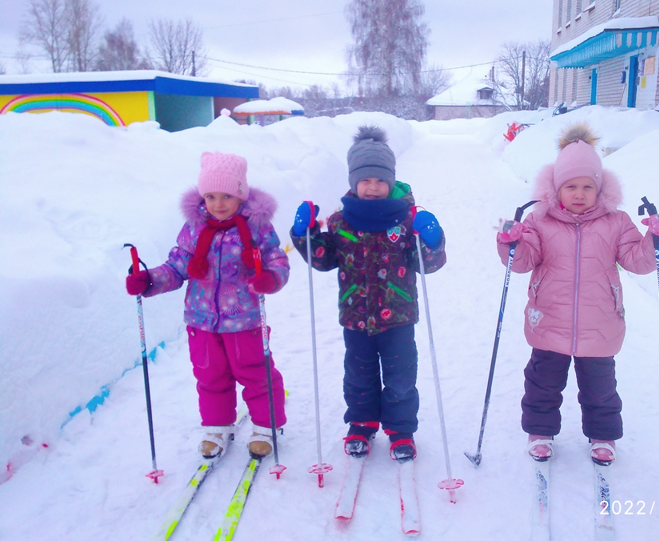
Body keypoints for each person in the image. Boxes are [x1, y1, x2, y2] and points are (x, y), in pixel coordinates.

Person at [496, 123, 659, 465]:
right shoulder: (539, 222)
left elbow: (637, 261)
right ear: (555, 189)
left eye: (587, 187)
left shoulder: (616, 222)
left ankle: (602, 436)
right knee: (542, 384)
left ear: (600, 189)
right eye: (570, 186)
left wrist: (657, 239)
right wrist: (511, 243)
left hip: (599, 324)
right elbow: (521, 263)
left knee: (601, 389)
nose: (578, 194)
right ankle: (540, 432)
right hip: (549, 321)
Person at [289, 125, 446, 462]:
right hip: (356, 319)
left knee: (401, 377)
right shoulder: (341, 221)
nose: (372, 187)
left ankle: (401, 429)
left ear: (390, 181)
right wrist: (305, 235)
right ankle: (361, 423)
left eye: (379, 180)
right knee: (358, 376)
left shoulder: (405, 220)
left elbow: (426, 264)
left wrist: (432, 242)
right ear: (353, 182)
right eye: (365, 180)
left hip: (399, 319)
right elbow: (324, 259)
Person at [125, 152, 290, 459]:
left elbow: (277, 260)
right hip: (201, 320)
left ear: (240, 195)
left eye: (227, 195)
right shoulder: (195, 228)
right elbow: (176, 267)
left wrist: (270, 278)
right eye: (211, 196)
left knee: (255, 373)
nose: (218, 203)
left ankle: (267, 427)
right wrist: (148, 281)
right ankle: (216, 426)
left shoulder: (256, 228)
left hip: (244, 320)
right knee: (210, 375)